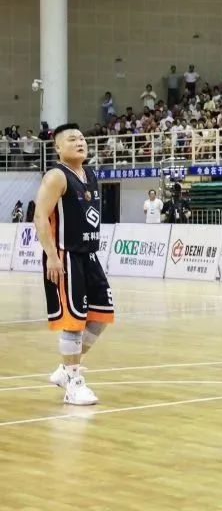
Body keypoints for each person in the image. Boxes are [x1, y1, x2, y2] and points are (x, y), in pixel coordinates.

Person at [32, 124, 112, 405]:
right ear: (57, 147)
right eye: (71, 139)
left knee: (101, 316)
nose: (79, 142)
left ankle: (65, 370)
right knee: (73, 322)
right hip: (65, 256)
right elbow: (40, 217)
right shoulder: (56, 176)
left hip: (89, 255)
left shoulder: (90, 174)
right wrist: (52, 256)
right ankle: (73, 384)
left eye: (81, 138)